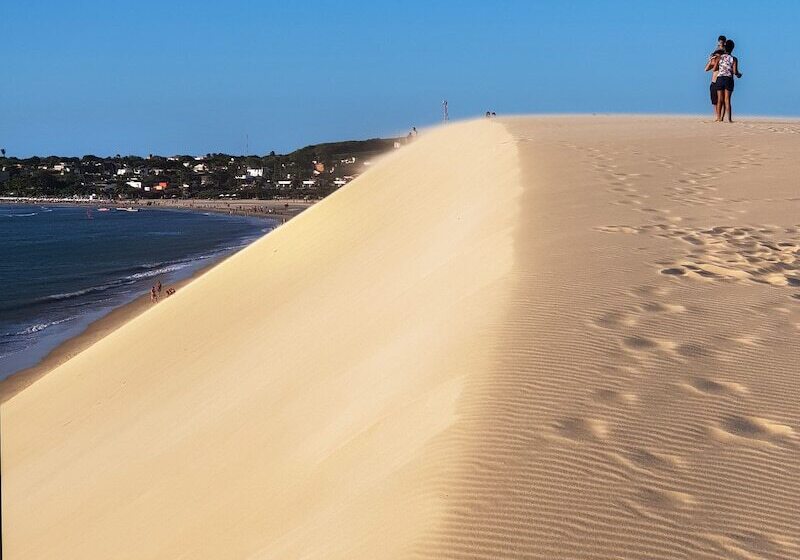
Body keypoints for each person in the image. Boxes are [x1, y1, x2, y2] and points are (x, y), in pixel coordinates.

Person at [714, 39, 743, 122]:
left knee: (720, 99)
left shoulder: (719, 57)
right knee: (727, 99)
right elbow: (735, 71)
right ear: (732, 48)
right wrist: (739, 75)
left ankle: (719, 118)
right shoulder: (734, 59)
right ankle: (729, 119)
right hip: (728, 79)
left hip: (720, 78)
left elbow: (715, 69)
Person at [704, 35, 727, 117]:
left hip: (721, 81)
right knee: (714, 101)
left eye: (722, 42)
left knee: (722, 100)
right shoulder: (715, 56)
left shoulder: (725, 54)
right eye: (720, 41)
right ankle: (717, 116)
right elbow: (706, 69)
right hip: (713, 82)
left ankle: (721, 116)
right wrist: (710, 60)